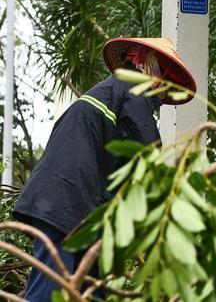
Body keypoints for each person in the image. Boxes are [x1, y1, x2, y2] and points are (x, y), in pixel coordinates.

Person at [13, 38, 196, 301]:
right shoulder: (134, 87)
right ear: (150, 67)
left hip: (77, 206)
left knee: (93, 287)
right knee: (52, 286)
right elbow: (147, 148)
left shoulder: (114, 93)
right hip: (64, 202)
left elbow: (120, 169)